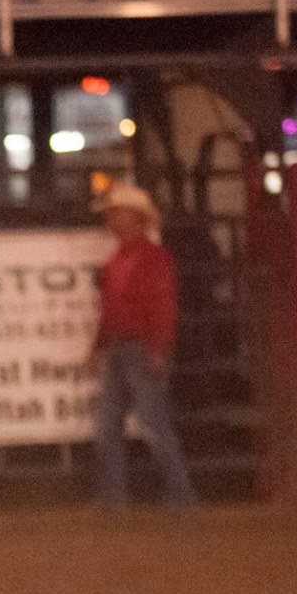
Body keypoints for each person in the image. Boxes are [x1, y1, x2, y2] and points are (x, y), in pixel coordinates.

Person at [92, 182, 195, 511]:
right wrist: (99, 345)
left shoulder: (150, 259)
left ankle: (177, 500)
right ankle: (120, 501)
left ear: (136, 219)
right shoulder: (125, 259)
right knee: (116, 426)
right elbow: (113, 310)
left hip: (138, 348)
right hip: (128, 348)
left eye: (118, 215)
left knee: (149, 427)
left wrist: (158, 349)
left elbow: (163, 307)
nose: (113, 221)